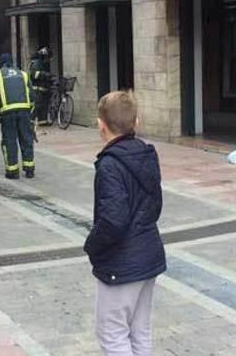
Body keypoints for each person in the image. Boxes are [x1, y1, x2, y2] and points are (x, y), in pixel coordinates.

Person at [83, 91, 166, 356]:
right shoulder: (146, 155)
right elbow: (155, 206)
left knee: (112, 334)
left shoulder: (110, 165)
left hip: (121, 263)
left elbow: (113, 221)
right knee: (139, 331)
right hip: (148, 254)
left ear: (101, 125)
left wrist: (92, 247)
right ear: (136, 123)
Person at [0, 53, 36, 179]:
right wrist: (30, 113)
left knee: (9, 141)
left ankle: (12, 171)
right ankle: (29, 169)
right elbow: (32, 95)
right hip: (24, 110)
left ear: (1, 63)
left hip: (7, 113)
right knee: (26, 139)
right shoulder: (23, 74)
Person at [29, 46, 54, 121]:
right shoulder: (36, 63)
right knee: (37, 105)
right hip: (37, 89)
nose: (49, 59)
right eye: (48, 57)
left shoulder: (42, 63)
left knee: (43, 105)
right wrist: (45, 74)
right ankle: (32, 120)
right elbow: (34, 74)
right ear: (44, 56)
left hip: (42, 88)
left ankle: (43, 121)